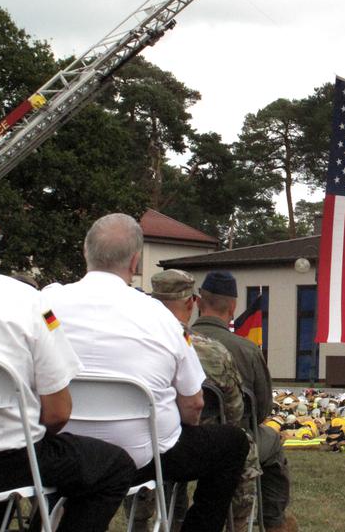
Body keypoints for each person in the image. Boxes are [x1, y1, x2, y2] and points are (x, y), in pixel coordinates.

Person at [42, 213, 248, 532]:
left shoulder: (46, 304)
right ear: (136, 262)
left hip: (58, 452)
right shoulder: (162, 319)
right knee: (232, 443)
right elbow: (193, 404)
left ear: (86, 252)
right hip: (144, 457)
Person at [0, 189, 134, 531]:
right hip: (6, 463)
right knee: (113, 467)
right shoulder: (29, 302)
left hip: (2, 465)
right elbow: (58, 412)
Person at [150, 269, 261, 531]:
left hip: (135, 448)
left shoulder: (131, 341)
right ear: (191, 303)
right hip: (188, 446)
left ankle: (147, 520)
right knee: (238, 444)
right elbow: (234, 413)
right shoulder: (208, 349)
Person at [193, 270, 297, 532]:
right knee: (272, 440)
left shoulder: (175, 341)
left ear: (197, 302)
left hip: (181, 441)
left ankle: (178, 517)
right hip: (236, 441)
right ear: (233, 307)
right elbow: (261, 410)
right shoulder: (246, 349)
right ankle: (273, 522)